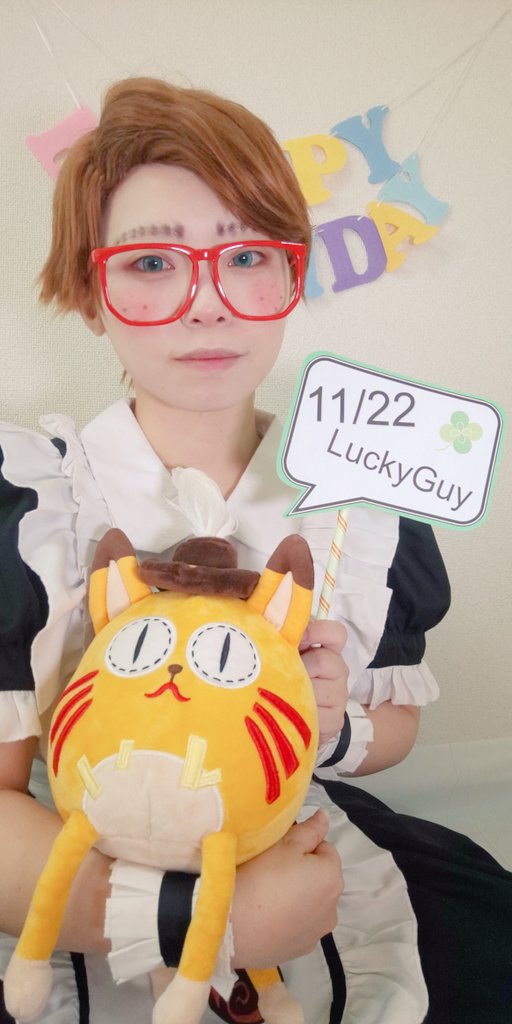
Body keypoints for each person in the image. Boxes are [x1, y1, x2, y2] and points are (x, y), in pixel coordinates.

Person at [0, 77, 509, 1024]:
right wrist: (202, 921)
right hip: (64, 880)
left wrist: (336, 723)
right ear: (91, 293)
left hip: (304, 850)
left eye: (245, 257)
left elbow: (397, 723)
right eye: (153, 263)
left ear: (290, 277)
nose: (207, 304)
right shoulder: (32, 501)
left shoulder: (362, 499)